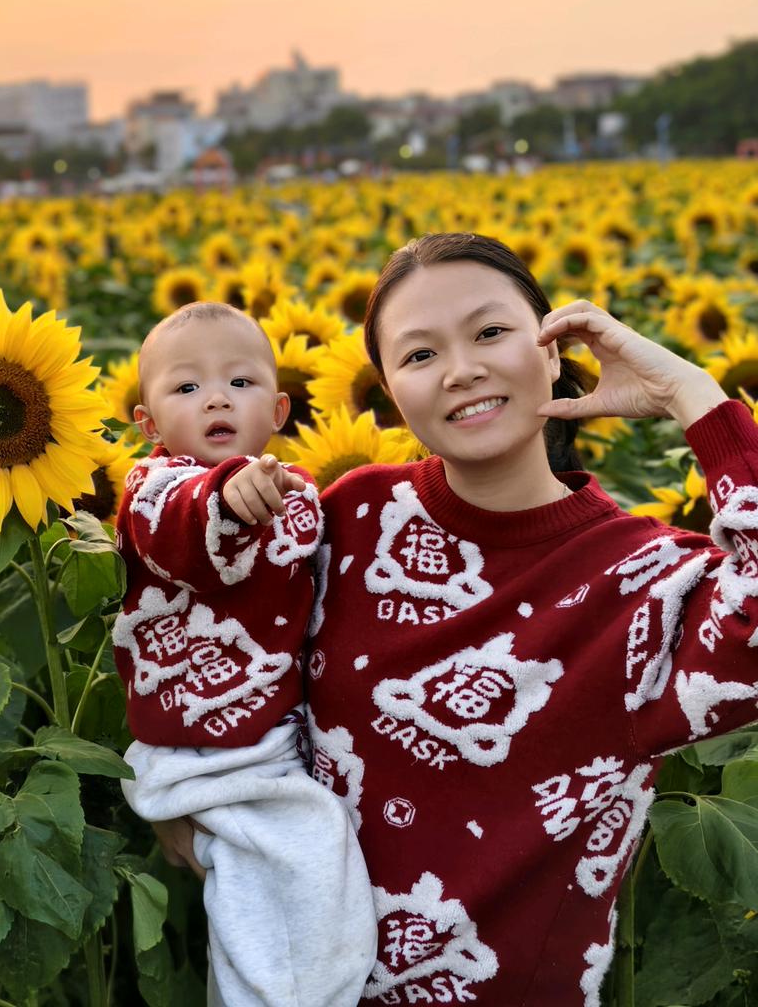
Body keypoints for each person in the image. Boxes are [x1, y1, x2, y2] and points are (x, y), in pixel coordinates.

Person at [155, 233, 758, 1005]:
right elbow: (205, 629)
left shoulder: (643, 581)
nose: (461, 370)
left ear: (554, 349)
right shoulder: (344, 520)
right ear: (390, 393)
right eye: (418, 355)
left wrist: (693, 396)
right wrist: (188, 785)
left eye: (491, 333)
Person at [114, 301, 377, 1006]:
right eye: (187, 388)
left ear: (281, 407)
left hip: (269, 735)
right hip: (201, 743)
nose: (217, 397)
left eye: (240, 381)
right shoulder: (156, 489)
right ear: (147, 422)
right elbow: (187, 530)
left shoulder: (303, 497)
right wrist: (228, 497)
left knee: (284, 891)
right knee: (292, 878)